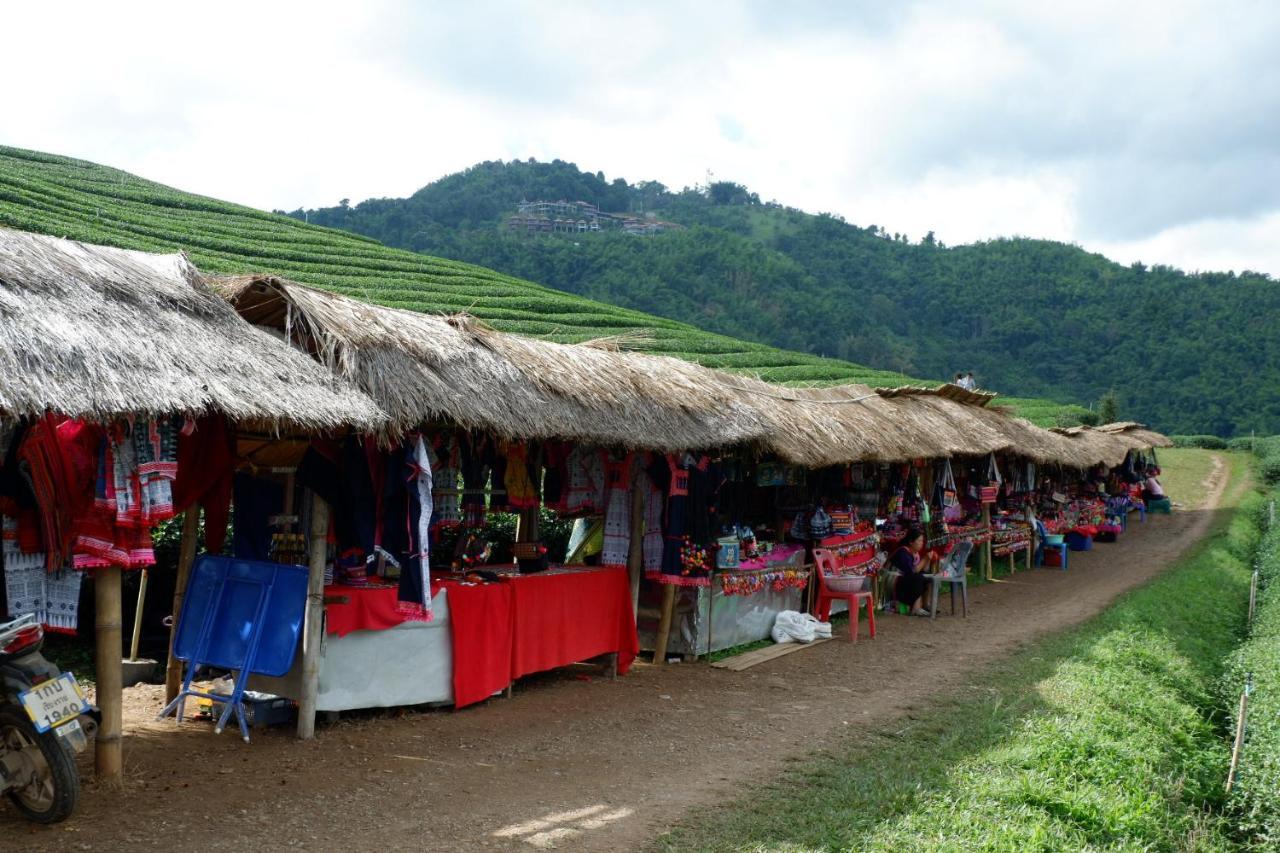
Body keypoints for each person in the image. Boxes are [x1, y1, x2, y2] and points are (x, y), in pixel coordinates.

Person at [889, 527, 933, 616]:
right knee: (918, 578)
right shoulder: (903, 552)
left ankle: (925, 605)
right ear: (911, 542)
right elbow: (912, 571)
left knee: (927, 577)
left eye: (922, 541)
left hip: (905, 579)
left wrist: (928, 560)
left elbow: (924, 570)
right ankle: (916, 608)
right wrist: (924, 559)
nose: (922, 543)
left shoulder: (915, 553)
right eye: (919, 541)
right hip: (894, 580)